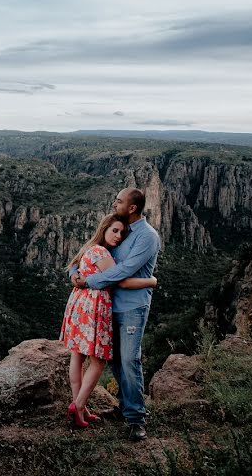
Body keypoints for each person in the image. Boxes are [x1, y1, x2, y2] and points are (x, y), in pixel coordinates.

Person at [70, 187, 161, 441]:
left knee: (130, 360)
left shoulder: (147, 237)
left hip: (132, 308)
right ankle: (125, 406)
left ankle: (136, 419)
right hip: (107, 307)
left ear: (132, 208)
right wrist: (75, 274)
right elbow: (87, 253)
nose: (114, 203)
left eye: (119, 201)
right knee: (116, 361)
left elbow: (123, 273)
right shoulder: (118, 228)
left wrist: (88, 281)